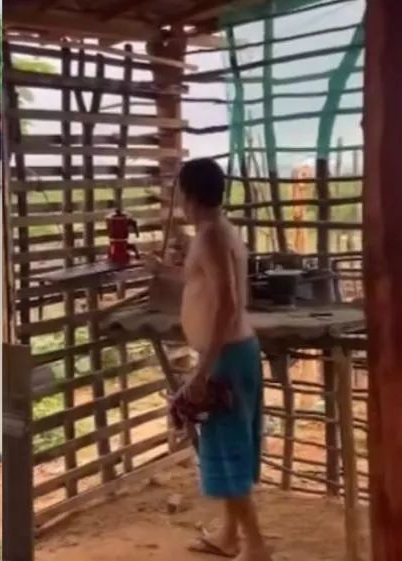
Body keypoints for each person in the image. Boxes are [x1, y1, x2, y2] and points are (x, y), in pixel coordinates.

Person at [145, 158, 270, 561]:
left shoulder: (213, 236)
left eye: (180, 191)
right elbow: (204, 281)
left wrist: (203, 370)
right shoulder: (216, 232)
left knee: (229, 449)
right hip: (234, 352)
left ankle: (256, 547)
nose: (178, 199)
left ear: (191, 194)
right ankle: (230, 536)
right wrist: (163, 270)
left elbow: (227, 305)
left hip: (227, 357)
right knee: (230, 445)